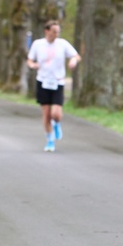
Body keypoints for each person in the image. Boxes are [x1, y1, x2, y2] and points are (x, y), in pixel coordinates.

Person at [25, 20, 80, 153]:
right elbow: (29, 59)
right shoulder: (38, 44)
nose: (56, 34)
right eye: (54, 31)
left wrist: (73, 61)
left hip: (57, 82)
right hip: (43, 81)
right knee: (46, 114)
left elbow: (76, 56)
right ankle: (50, 139)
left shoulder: (62, 44)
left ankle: (57, 123)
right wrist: (33, 65)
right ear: (47, 31)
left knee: (56, 113)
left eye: (58, 32)